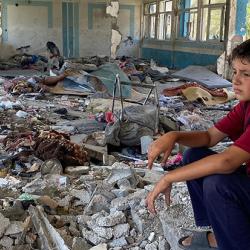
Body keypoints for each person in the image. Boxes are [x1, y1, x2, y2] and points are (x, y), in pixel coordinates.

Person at [146, 39, 250, 250]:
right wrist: (174, 135)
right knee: (193, 156)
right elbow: (210, 137)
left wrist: (170, 177)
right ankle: (220, 233)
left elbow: (228, 161)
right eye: (235, 71)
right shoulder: (246, 105)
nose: (235, 80)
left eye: (246, 74)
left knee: (218, 185)